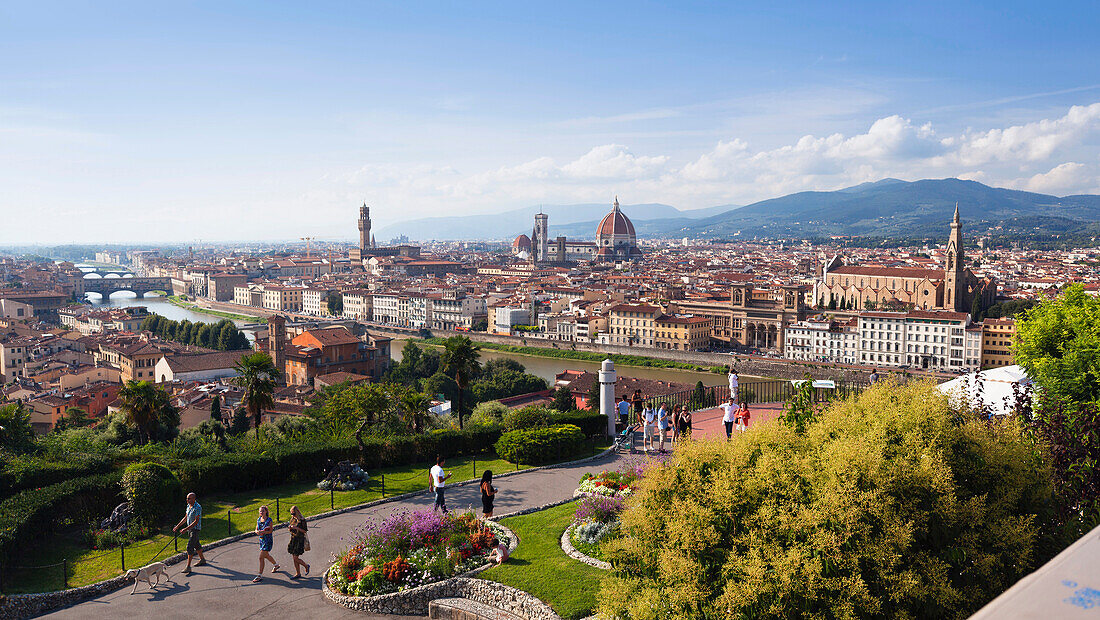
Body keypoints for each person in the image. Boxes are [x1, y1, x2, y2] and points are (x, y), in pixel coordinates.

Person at [173, 492, 207, 575]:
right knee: (196, 545)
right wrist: (177, 526)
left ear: (194, 499)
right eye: (187, 498)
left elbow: (196, 521)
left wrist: (185, 529)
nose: (187, 500)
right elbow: (186, 517)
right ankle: (202, 560)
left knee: (189, 547)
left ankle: (188, 567)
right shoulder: (188, 506)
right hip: (190, 529)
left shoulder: (198, 507)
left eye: (189, 498)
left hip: (195, 529)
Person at [253, 505, 280, 582]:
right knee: (266, 555)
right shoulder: (258, 520)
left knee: (261, 557)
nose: (261, 512)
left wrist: (264, 532)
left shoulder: (269, 520)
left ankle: (259, 575)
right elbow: (256, 529)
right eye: (260, 511)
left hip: (268, 541)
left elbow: (271, 531)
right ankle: (276, 565)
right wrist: (257, 532)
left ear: (266, 512)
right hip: (261, 541)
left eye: (263, 511)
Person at [286, 505, 310, 579]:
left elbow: (304, 531)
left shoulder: (302, 520)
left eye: (293, 513)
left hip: (299, 540)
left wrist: (296, 528)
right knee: (294, 557)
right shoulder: (293, 519)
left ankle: (306, 565)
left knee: (296, 558)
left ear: (297, 512)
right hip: (293, 539)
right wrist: (290, 528)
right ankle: (298, 573)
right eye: (291, 514)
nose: (292, 515)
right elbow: (291, 527)